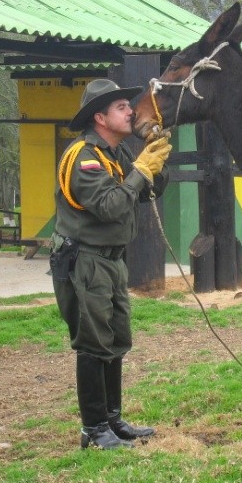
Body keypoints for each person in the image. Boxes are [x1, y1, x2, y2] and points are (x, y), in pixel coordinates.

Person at [50, 78, 172, 450]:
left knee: (116, 339)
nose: (130, 111)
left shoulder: (113, 153)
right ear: (100, 117)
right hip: (85, 260)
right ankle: (93, 428)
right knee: (93, 343)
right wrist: (141, 170)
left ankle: (113, 421)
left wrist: (154, 160)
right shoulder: (84, 157)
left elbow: (149, 191)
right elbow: (110, 206)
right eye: (121, 107)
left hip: (111, 261)